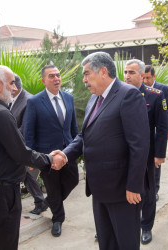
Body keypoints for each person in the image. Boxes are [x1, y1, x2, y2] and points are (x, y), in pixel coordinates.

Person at [58, 52, 150, 250]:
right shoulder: (95, 98)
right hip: (99, 188)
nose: (84, 80)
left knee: (125, 244)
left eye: (86, 73)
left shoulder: (128, 95)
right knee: (106, 243)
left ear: (103, 71)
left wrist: (134, 185)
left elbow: (139, 145)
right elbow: (84, 136)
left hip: (123, 190)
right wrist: (65, 154)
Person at [0, 65, 65, 250]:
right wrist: (51, 160)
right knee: (6, 241)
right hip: (2, 191)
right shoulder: (1, 113)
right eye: (12, 83)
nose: (15, 88)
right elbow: (21, 153)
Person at [23, 65, 79, 237]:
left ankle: (49, 202)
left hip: (68, 152)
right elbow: (29, 132)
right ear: (43, 80)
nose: (56, 79)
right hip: (47, 156)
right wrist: (31, 159)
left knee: (73, 180)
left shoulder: (68, 98)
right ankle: (57, 219)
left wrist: (77, 147)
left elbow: (73, 127)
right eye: (51, 76)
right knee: (53, 187)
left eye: (58, 75)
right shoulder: (34, 102)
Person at [124, 59, 168, 245]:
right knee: (124, 190)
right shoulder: (119, 94)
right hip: (124, 153)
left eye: (131, 72)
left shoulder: (155, 95)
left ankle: (146, 226)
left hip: (148, 154)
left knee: (148, 192)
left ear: (142, 75)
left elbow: (162, 126)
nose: (127, 76)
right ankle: (124, 224)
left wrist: (159, 154)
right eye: (125, 72)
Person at [10, 75, 48, 215]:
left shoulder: (27, 100)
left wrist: (8, 138)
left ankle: (41, 202)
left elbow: (26, 128)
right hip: (18, 144)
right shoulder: (13, 98)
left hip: (27, 144)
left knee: (28, 174)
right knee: (26, 175)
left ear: (15, 87)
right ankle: (41, 202)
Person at [143, 65, 168, 201]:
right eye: (142, 78)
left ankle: (154, 189)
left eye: (148, 78)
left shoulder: (163, 89)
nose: (145, 81)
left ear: (154, 76)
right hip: (145, 133)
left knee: (155, 162)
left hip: (158, 131)